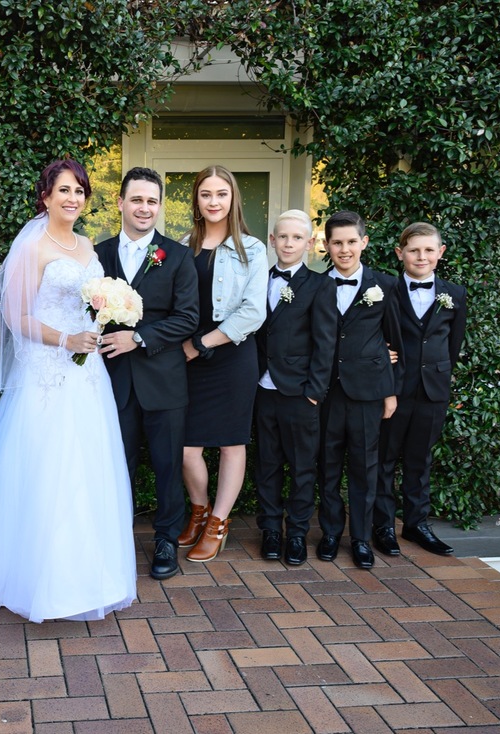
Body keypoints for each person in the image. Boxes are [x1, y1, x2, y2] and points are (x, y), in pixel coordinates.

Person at [0, 159, 136, 622]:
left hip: (87, 374)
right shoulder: (31, 247)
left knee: (88, 467)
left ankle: (91, 575)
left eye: (79, 191)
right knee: (47, 469)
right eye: (64, 190)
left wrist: (101, 320)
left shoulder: (87, 245)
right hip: (46, 374)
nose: (73, 198)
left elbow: (91, 304)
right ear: (45, 196)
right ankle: (38, 579)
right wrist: (65, 340)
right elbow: (15, 317)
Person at [97, 167, 200, 580]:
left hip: (163, 380)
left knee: (167, 465)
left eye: (152, 201)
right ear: (120, 202)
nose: (144, 208)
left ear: (160, 207)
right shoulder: (97, 254)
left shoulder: (177, 256)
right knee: (114, 465)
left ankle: (166, 540)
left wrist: (138, 338)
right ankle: (113, 540)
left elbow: (188, 317)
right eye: (137, 199)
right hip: (111, 381)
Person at [178, 165, 267, 563]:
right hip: (186, 356)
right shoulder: (182, 245)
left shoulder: (253, 249)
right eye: (206, 194)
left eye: (221, 194)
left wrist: (202, 343)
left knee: (232, 443)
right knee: (186, 447)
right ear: (196, 200)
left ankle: (217, 523)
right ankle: (199, 510)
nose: (213, 202)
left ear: (233, 199)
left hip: (231, 354)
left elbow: (253, 312)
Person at [316, 210, 404, 569]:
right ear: (326, 245)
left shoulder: (386, 286)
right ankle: (330, 533)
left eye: (351, 241)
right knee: (327, 466)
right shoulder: (315, 285)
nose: (345, 249)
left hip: (368, 392)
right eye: (337, 242)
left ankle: (362, 539)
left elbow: (396, 341)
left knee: (365, 468)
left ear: (364, 242)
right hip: (326, 392)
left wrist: (390, 391)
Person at [376, 222, 466, 556]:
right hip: (393, 390)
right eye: (414, 250)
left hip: (433, 391)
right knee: (384, 459)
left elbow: (453, 344)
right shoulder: (385, 290)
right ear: (400, 253)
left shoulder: (455, 294)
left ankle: (416, 524)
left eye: (429, 250)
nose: (421, 256)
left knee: (420, 459)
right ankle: (383, 525)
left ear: (440, 253)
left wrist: (439, 374)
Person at [254, 210, 338, 565]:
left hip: (300, 392)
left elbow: (325, 343)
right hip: (261, 389)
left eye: (297, 238)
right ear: (272, 240)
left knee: (303, 467)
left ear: (310, 243)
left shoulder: (320, 285)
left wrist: (314, 392)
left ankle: (298, 532)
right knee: (267, 464)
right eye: (283, 237)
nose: (289, 244)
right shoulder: (258, 279)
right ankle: (271, 529)